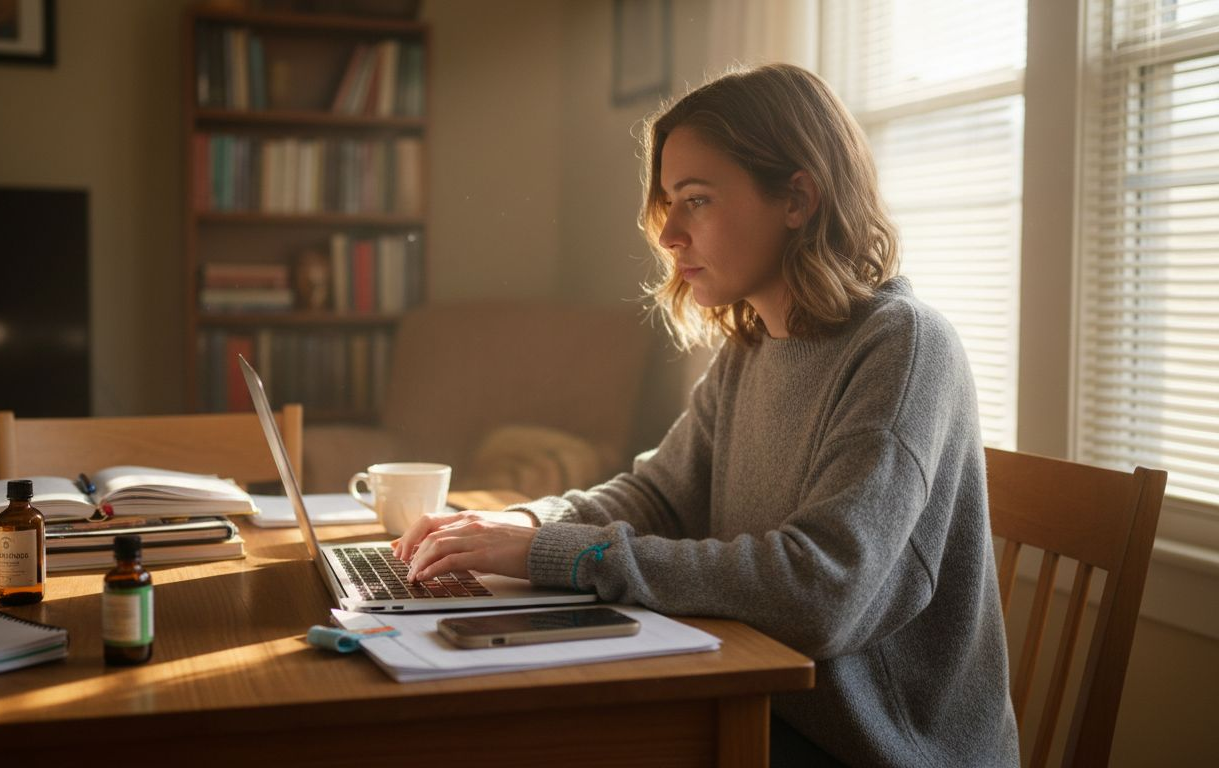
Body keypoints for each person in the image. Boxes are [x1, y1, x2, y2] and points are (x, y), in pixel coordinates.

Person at [393, 63, 1019, 767]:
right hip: (754, 699)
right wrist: (527, 523)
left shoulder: (903, 347)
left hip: (872, 749)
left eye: (696, 200)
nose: (669, 235)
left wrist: (548, 555)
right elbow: (659, 494)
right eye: (668, 202)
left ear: (797, 198)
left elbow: (821, 590)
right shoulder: (753, 345)